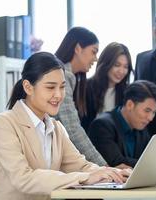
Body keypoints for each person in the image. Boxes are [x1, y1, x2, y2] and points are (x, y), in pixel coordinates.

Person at [0, 52, 130, 200]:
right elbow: (23, 178)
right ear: (28, 87)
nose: (58, 95)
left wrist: (113, 173)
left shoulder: (56, 127)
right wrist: (86, 178)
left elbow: (81, 165)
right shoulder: (5, 122)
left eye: (62, 87)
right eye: (50, 87)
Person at [55, 27, 107, 166]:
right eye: (93, 52)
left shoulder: (69, 76)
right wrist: (104, 167)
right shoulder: (63, 76)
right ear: (78, 48)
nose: (95, 59)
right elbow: (72, 129)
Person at [88, 80, 156, 169]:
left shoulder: (141, 128)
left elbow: (149, 159)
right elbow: (116, 162)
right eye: (147, 110)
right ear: (130, 105)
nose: (150, 118)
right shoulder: (102, 125)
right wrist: (155, 165)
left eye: (154, 112)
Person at [81, 42, 133, 133]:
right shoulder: (85, 88)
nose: (121, 71)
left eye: (126, 67)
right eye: (117, 65)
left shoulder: (127, 92)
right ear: (106, 63)